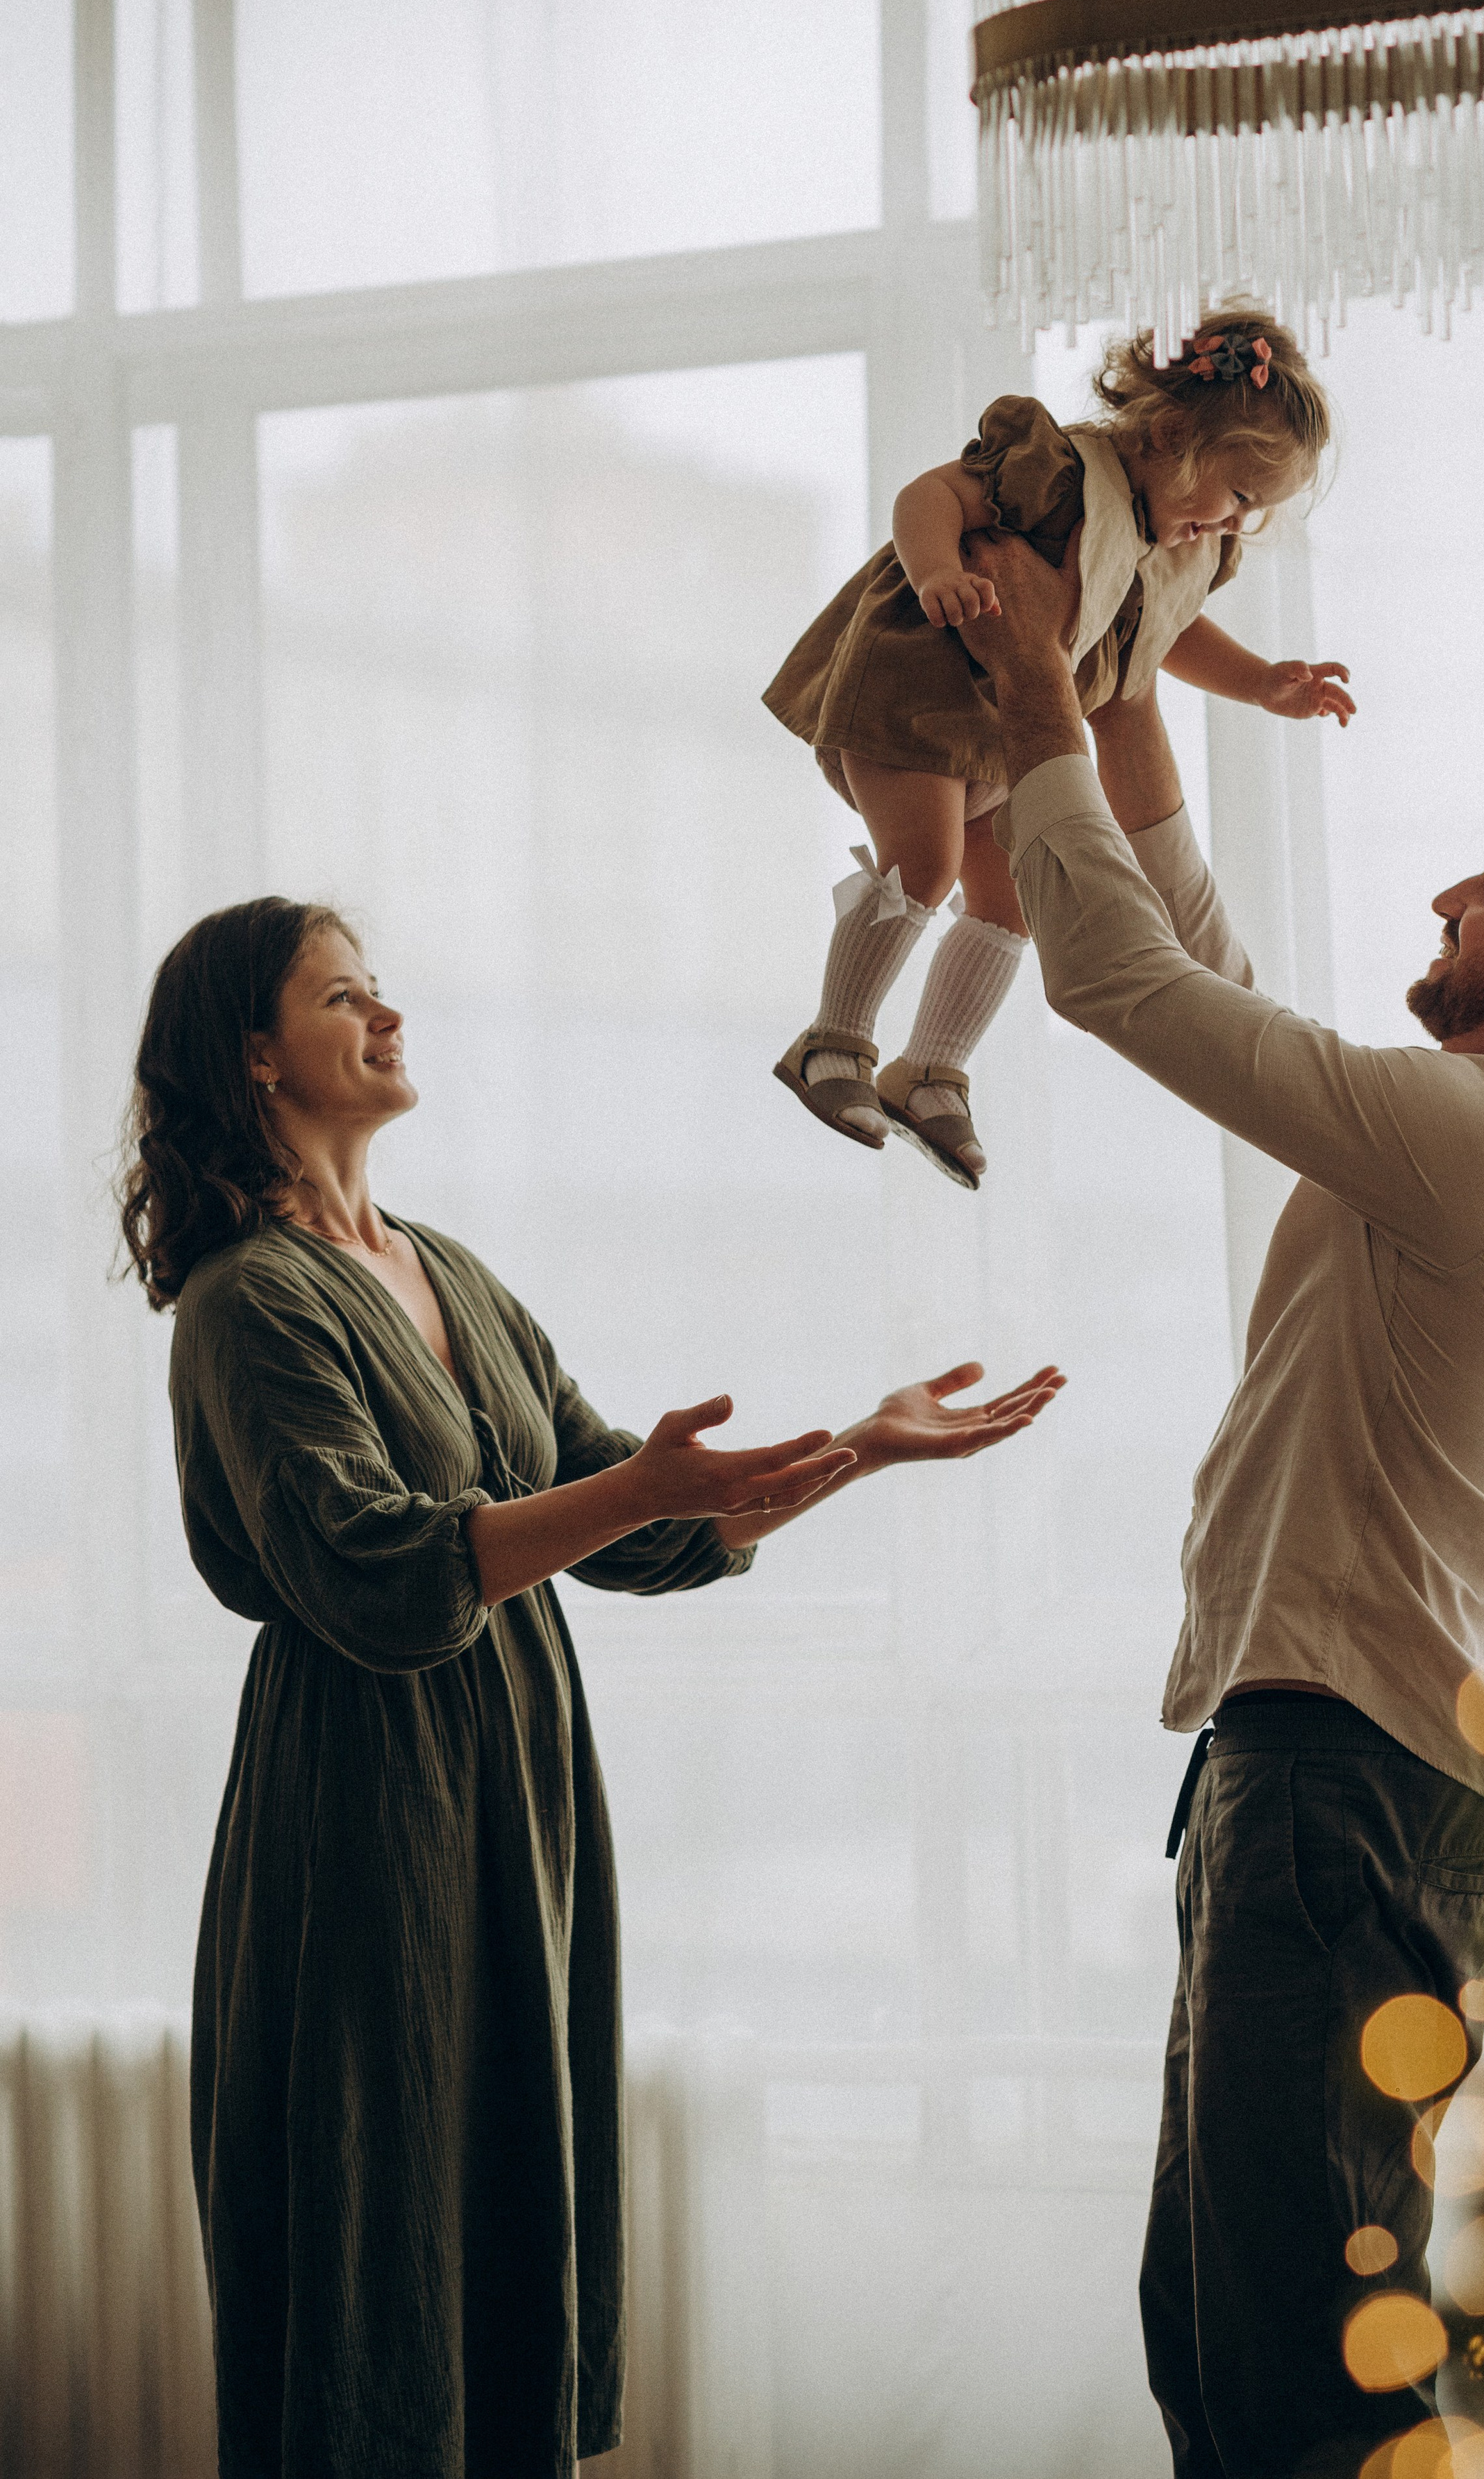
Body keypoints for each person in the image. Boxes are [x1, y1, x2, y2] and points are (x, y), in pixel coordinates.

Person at [117, 895, 1063, 2479]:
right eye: (348, 996)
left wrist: (858, 1442)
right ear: (254, 1054)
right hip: (361, 1798)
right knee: (379, 2193)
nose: (390, 1017)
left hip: (514, 1782)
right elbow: (379, 1568)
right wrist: (636, 1496)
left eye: (384, 988)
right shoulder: (248, 1300)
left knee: (501, 2167)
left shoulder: (444, 1270)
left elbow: (625, 1508)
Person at [960, 527, 1484, 2478]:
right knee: (1231, 2320)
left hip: (1344, 1764)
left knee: (1283, 2352)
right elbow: (1206, 971)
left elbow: (1123, 984)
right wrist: (1124, 683)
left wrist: (1044, 684)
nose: (1448, 891)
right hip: (1363, 1754)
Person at [762, 310, 1353, 1187]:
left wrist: (1264, 681)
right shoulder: (1058, 471)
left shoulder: (1176, 544)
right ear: (1167, 437)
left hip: (1001, 737)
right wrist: (935, 573)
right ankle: (833, 1040)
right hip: (916, 696)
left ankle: (929, 1068)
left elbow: (1162, 633)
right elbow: (930, 497)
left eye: (1253, 513)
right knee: (924, 865)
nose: (1233, 524)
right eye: (1234, 496)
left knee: (1014, 903)